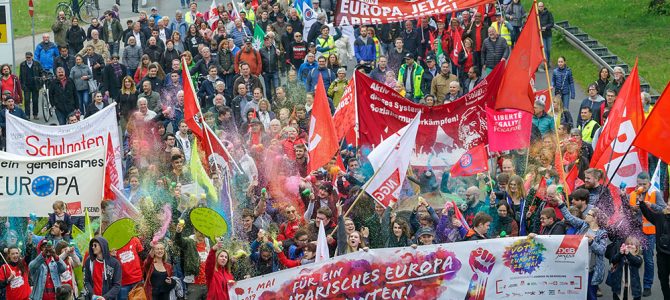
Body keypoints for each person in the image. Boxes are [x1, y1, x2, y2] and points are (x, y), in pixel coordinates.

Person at [629, 172, 667, 297]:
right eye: (640, 184)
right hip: (635, 232)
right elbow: (628, 212)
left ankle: (647, 285)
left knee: (648, 259)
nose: (642, 186)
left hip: (649, 233)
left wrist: (652, 206)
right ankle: (634, 286)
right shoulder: (633, 195)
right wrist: (632, 210)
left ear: (649, 184)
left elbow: (664, 210)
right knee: (632, 259)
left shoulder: (655, 194)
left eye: (644, 184)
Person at [638, 195, 670, 299]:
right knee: (663, 279)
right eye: (668, 204)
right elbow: (649, 214)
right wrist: (642, 203)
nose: (668, 207)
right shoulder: (661, 217)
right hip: (662, 256)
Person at [538, 2, 554, 67]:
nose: (540, 7)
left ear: (543, 6)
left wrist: (546, 27)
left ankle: (548, 61)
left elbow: (552, 23)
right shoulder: (537, 14)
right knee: (544, 49)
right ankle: (546, 64)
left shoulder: (548, 13)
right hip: (542, 35)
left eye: (541, 6)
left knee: (548, 49)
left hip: (548, 34)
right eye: (539, 6)